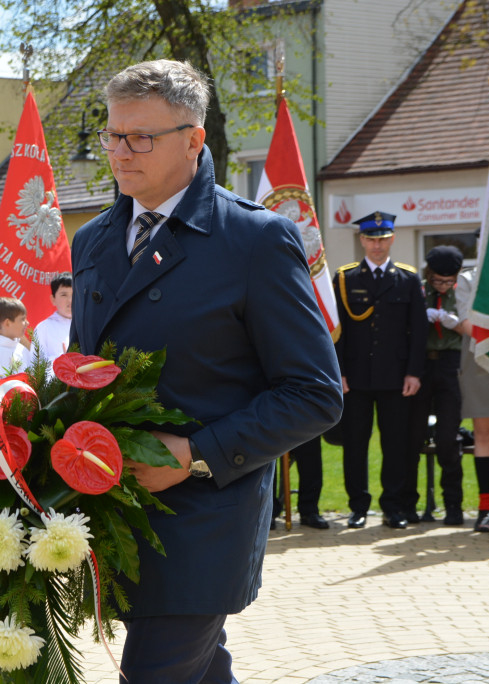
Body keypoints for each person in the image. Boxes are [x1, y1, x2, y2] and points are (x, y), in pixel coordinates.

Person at [70, 60, 342, 682]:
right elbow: (84, 369)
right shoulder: (92, 241)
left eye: (142, 137)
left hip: (206, 513)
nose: (120, 151)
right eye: (112, 135)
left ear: (194, 140)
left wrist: (193, 453)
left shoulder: (255, 239)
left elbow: (314, 394)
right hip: (119, 508)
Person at [334, 212, 427, 530]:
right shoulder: (345, 278)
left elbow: (419, 330)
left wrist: (414, 372)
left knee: (396, 444)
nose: (377, 245)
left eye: (383, 239)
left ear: (392, 239)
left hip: (396, 378)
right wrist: (339, 372)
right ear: (361, 240)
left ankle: (393, 507)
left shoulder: (408, 278)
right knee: (355, 444)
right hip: (355, 379)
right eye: (371, 239)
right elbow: (336, 331)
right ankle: (358, 506)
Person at [402, 245, 468, 525]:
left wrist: (452, 322)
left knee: (447, 440)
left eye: (448, 281)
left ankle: (453, 505)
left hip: (451, 364)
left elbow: (472, 326)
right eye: (437, 280)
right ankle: (408, 505)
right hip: (421, 366)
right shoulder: (418, 289)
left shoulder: (463, 292)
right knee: (412, 437)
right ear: (429, 274)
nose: (442, 286)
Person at [455, 251, 489, 532]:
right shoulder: (468, 279)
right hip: (481, 362)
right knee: (484, 434)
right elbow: (465, 322)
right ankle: (486, 509)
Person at [33, 272, 73, 364]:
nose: (70, 300)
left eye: (74, 294)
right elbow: (36, 366)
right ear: (53, 299)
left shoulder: (86, 326)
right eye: (64, 295)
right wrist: (62, 359)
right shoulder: (43, 328)